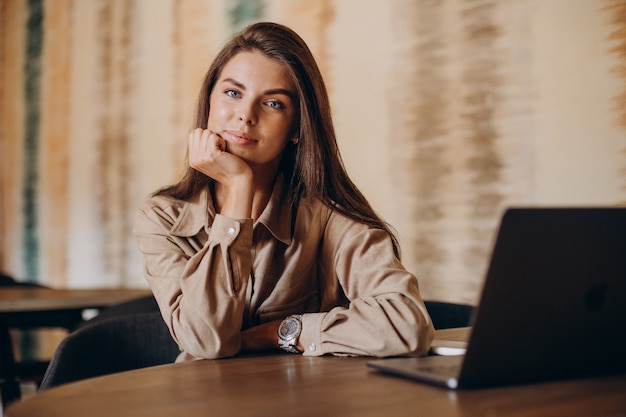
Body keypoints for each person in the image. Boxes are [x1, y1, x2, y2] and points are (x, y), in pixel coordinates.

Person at [133, 22, 434, 362]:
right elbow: (206, 340)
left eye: (273, 103)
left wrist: (280, 332)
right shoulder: (161, 217)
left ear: (296, 129)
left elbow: (407, 326)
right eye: (233, 93)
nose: (245, 115)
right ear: (208, 104)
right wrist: (237, 188)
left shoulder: (330, 218)